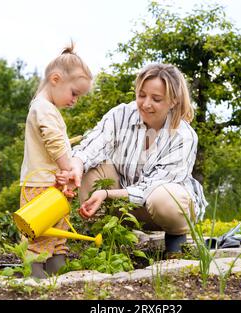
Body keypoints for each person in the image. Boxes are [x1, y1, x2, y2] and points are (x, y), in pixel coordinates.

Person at [57, 63, 208, 256]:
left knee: (164, 198)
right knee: (90, 167)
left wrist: (106, 194)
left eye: (156, 99)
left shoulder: (183, 136)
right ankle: (105, 239)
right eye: (141, 95)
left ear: (173, 101)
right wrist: (76, 166)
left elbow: (150, 188)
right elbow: (92, 146)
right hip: (123, 205)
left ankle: (176, 243)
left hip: (159, 208)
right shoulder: (121, 114)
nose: (145, 104)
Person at [19, 43, 92, 278]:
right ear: (55, 79)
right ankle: (36, 272)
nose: (74, 101)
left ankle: (57, 267)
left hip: (51, 184)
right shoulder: (43, 108)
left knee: (58, 230)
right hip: (39, 186)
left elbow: (56, 144)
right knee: (40, 231)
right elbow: (54, 143)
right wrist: (68, 169)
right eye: (74, 93)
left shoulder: (47, 108)